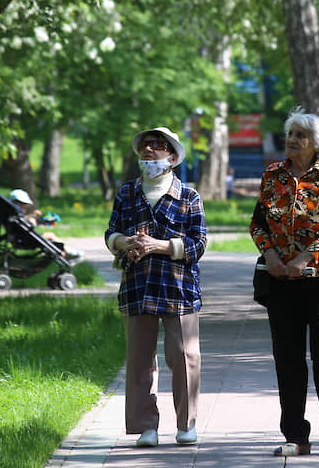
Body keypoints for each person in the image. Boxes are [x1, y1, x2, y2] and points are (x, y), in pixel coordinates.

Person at [249, 110, 319, 458]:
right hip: (281, 282)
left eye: (301, 135)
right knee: (288, 360)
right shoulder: (272, 176)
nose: (292, 140)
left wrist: (307, 256)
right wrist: (272, 257)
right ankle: (296, 436)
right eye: (290, 133)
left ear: (316, 143)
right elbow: (257, 225)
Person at [104, 126, 207, 448]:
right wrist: (124, 241)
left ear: (172, 157)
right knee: (139, 360)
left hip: (178, 288)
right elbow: (110, 233)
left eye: (157, 145)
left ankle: (186, 425)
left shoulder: (189, 196)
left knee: (184, 356)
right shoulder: (127, 193)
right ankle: (145, 427)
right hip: (137, 286)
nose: (149, 150)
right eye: (144, 146)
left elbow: (199, 243)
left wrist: (159, 246)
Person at [8, 189, 84, 264]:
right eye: (24, 205)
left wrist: (33, 217)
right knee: (50, 235)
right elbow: (24, 220)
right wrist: (32, 218)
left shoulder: (12, 215)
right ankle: (69, 252)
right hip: (24, 241)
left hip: (22, 239)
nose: (26, 208)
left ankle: (64, 253)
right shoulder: (15, 216)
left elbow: (23, 219)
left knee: (50, 239)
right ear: (18, 203)